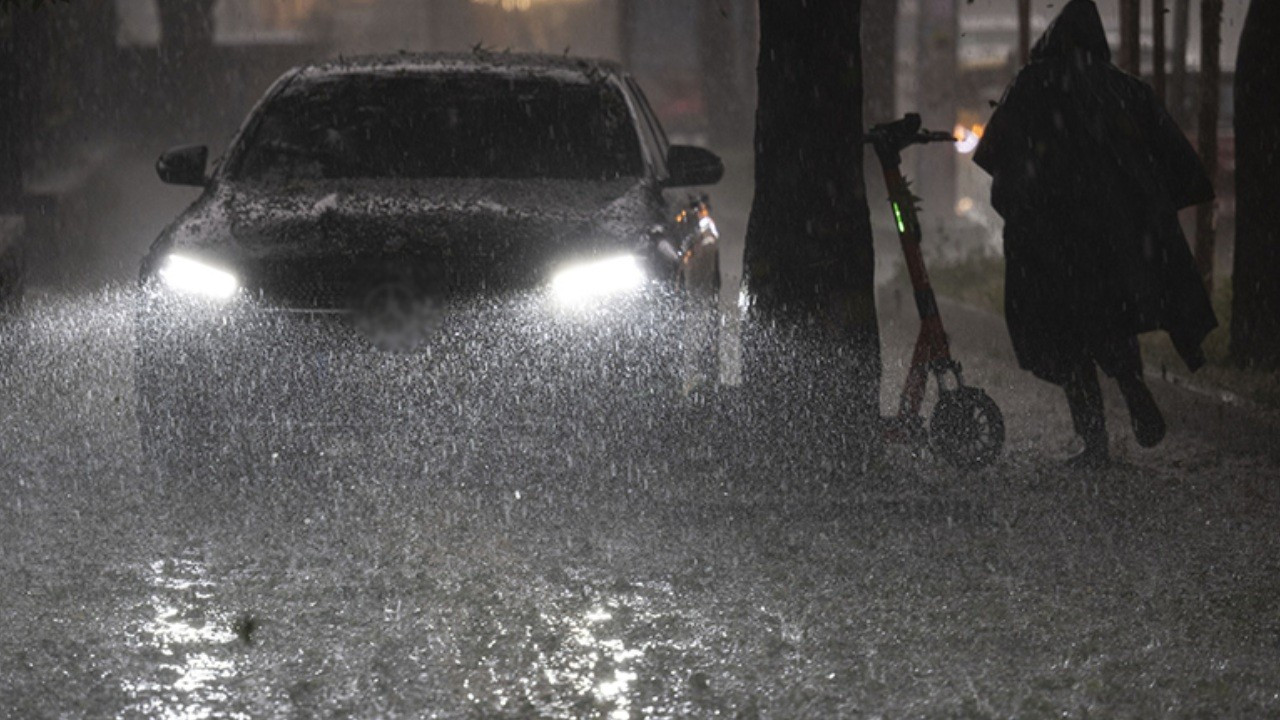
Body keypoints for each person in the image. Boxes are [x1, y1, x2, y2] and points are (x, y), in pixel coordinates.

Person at [973, 0, 1216, 468]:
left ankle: (1095, 441)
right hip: (1109, 238)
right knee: (1110, 319)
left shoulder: (1031, 84)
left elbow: (997, 155)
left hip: (1049, 237)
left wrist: (1022, 206)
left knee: (1066, 337)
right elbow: (1174, 161)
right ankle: (1132, 385)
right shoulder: (1125, 90)